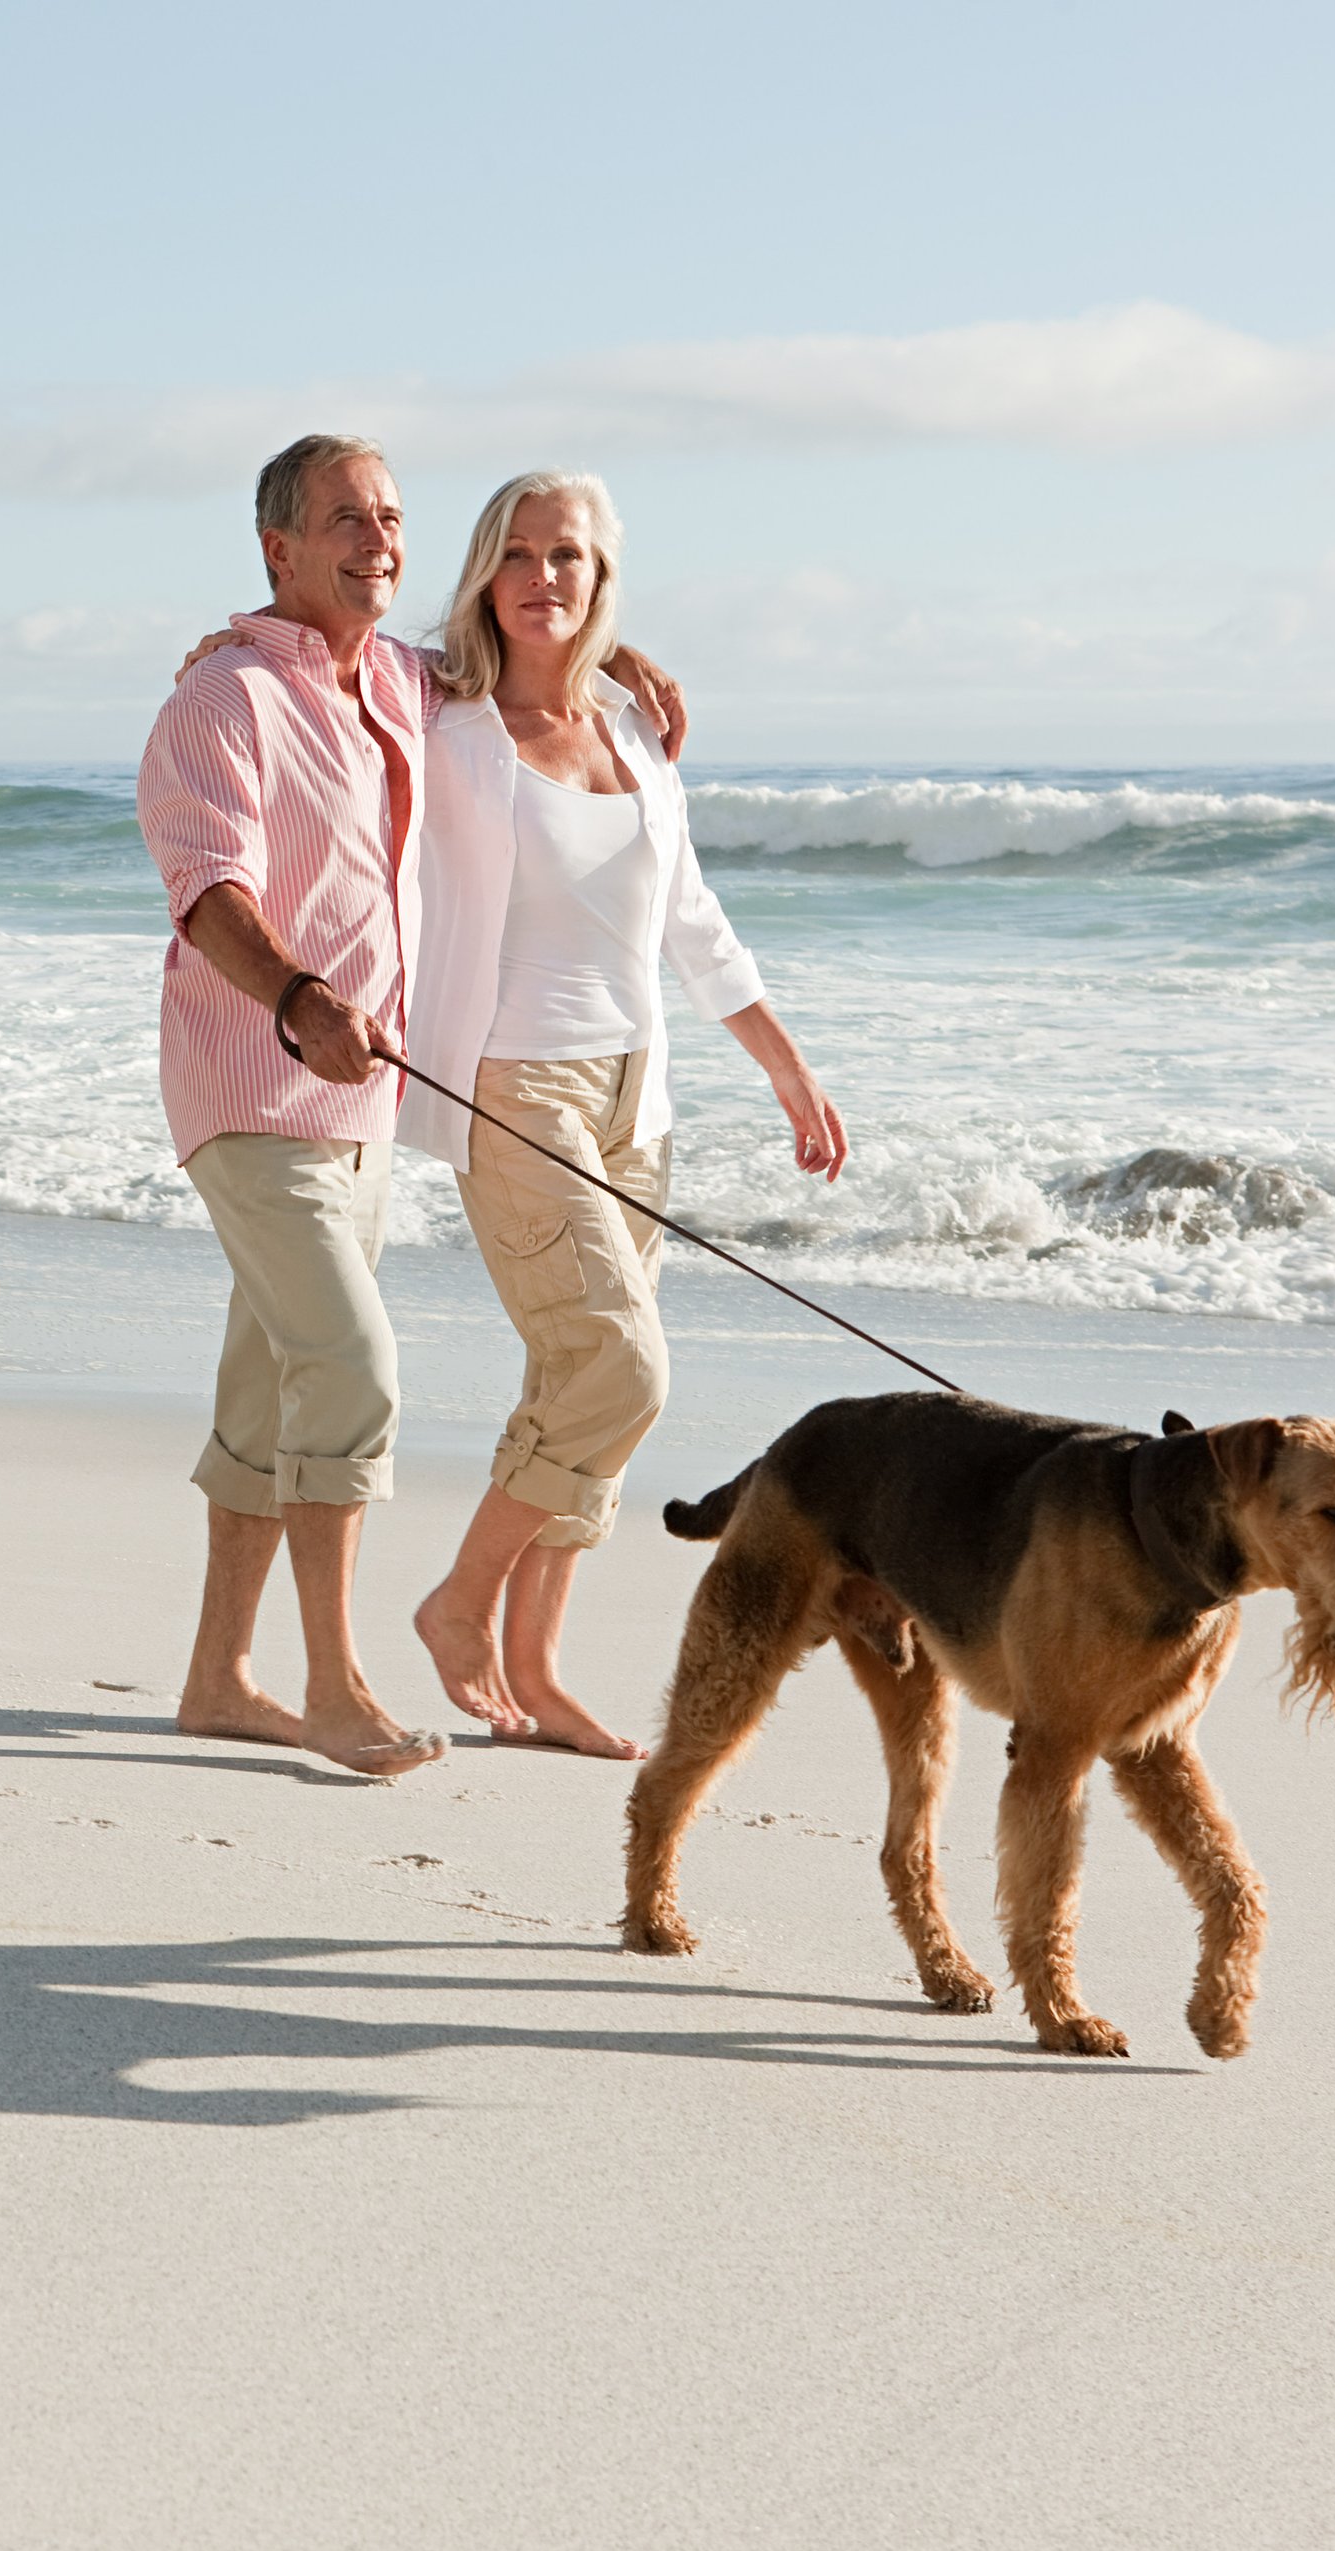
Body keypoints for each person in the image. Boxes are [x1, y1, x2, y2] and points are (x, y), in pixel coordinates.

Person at [137, 435, 693, 1779]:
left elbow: (515, 645)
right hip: (252, 1084)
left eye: (390, 520)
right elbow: (207, 892)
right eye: (344, 521)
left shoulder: (395, 677)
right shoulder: (224, 696)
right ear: (276, 546)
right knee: (353, 1373)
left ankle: (217, 1679)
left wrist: (615, 658)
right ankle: (335, 1688)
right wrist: (300, 1001)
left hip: (361, 1106)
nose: (377, 541)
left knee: (270, 1389)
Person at [394, 471, 844, 1756]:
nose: (546, 575)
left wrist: (782, 1061)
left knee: (573, 1374)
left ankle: (534, 1668)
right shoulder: (443, 715)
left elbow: (689, 915)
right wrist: (231, 639)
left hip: (634, 1084)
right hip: (510, 1076)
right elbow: (328, 660)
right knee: (625, 1367)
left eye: (572, 558)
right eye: (521, 554)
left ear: (603, 579)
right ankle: (459, 1603)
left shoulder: (635, 732)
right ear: (486, 571)